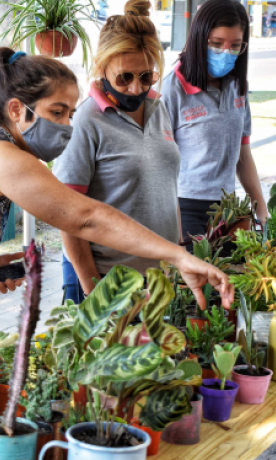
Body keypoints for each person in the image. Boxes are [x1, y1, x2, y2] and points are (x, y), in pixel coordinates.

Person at [0, 46, 234, 304]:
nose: (67, 126)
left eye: (70, 114)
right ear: (17, 109)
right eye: (56, 112)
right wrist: (180, 256)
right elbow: (85, 217)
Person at [52, 0, 180, 303]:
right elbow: (67, 214)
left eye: (146, 76)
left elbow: (168, 188)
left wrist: (179, 253)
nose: (136, 89)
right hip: (108, 282)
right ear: (102, 67)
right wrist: (94, 290)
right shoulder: (86, 121)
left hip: (157, 281)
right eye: (125, 77)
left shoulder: (158, 108)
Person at [161, 0, 267, 250]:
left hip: (227, 208)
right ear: (199, 39)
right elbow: (160, 163)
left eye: (235, 46)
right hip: (184, 206)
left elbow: (242, 155)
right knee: (195, 285)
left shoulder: (238, 86)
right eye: (216, 44)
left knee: (232, 282)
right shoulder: (173, 88)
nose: (225, 52)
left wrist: (260, 207)